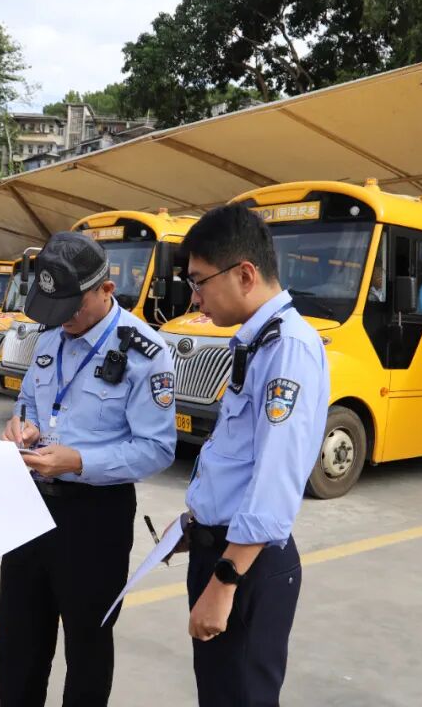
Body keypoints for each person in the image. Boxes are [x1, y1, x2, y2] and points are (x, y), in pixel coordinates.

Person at [0, 231, 177, 707]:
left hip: (95, 518)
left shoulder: (146, 353)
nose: (64, 321)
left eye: (72, 309)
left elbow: (157, 449)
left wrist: (80, 461)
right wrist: (23, 427)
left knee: (88, 645)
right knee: (17, 641)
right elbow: (28, 401)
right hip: (29, 505)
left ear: (106, 290)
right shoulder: (49, 335)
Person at [177, 204, 329, 706]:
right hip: (221, 550)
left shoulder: (290, 349)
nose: (194, 297)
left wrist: (225, 581)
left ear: (244, 274)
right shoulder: (258, 342)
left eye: (200, 281)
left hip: (246, 566)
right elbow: (238, 456)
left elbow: (277, 477)